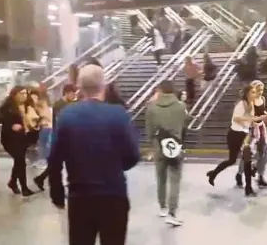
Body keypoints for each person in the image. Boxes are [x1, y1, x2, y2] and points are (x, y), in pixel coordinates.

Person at [48, 65, 140, 245]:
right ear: (103, 86)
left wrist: (57, 193)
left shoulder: (67, 116)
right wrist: (114, 167)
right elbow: (133, 155)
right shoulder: (118, 114)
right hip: (114, 196)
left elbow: (54, 159)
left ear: (79, 87)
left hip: (80, 197)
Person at [206, 85, 263, 196]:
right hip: (234, 134)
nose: (255, 94)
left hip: (244, 135)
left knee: (247, 160)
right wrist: (250, 120)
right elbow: (236, 118)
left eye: (255, 92)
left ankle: (248, 188)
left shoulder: (251, 105)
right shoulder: (241, 104)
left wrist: (257, 120)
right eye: (253, 92)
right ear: (247, 93)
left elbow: (248, 121)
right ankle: (213, 174)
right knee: (232, 160)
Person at [145, 80, 187, 226]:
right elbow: (184, 125)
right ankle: (172, 212)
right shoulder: (181, 107)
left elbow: (149, 131)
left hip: (159, 146)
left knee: (160, 177)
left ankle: (162, 207)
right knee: (175, 179)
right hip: (175, 146)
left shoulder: (151, 108)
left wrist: (153, 144)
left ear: (160, 91)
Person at [34, 84, 77, 190]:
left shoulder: (72, 104)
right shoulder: (59, 105)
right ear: (66, 93)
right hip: (60, 136)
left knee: (64, 162)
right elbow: (59, 120)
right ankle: (41, 179)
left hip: (69, 137)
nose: (73, 96)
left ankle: (41, 178)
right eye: (72, 94)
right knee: (59, 162)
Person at [0, 86, 37, 196]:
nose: (24, 96)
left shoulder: (26, 106)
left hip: (22, 138)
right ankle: (24, 188)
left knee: (18, 161)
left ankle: (12, 182)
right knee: (21, 162)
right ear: (15, 94)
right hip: (10, 139)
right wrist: (11, 126)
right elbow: (3, 121)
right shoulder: (7, 107)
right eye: (22, 93)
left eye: (25, 93)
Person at [236, 80, 267, 188]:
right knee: (247, 153)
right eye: (258, 90)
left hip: (261, 127)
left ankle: (260, 176)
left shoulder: (263, 99)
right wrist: (255, 122)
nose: (260, 92)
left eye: (262, 90)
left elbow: (262, 111)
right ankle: (239, 174)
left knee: (264, 152)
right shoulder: (249, 101)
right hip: (250, 129)